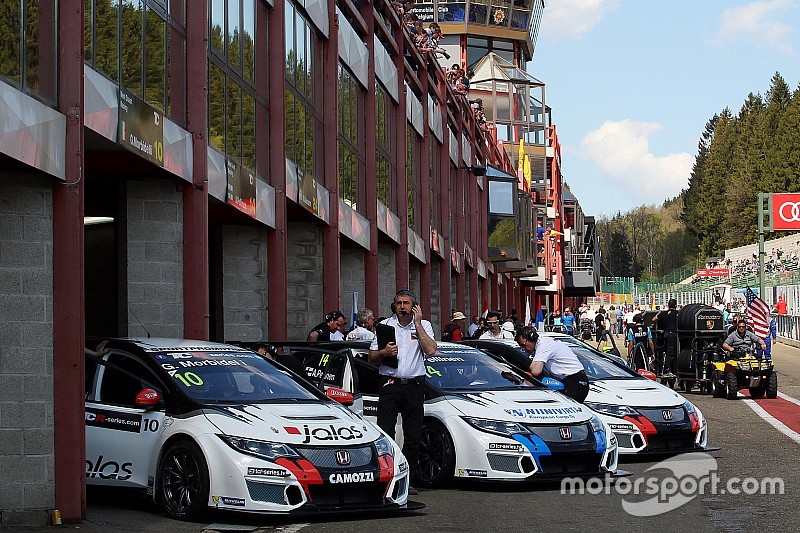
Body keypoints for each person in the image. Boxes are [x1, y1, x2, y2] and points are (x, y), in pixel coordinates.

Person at [368, 289, 437, 495]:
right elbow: (371, 358)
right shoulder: (385, 326)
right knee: (386, 433)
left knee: (413, 435)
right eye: (399, 303)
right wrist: (383, 352)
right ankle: (387, 477)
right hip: (390, 383)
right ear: (394, 306)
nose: (402, 307)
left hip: (414, 385)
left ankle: (408, 479)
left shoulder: (424, 326)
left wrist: (417, 324)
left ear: (414, 307)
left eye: (406, 303)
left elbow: (431, 350)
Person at [520, 328, 589, 403]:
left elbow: (535, 371)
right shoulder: (544, 343)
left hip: (575, 382)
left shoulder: (544, 345)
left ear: (531, 338)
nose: (523, 349)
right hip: (570, 380)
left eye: (523, 345)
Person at [651, 298, 678, 378]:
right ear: (675, 305)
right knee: (671, 353)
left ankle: (662, 368)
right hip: (673, 334)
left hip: (665, 334)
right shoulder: (677, 313)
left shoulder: (663, 313)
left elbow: (654, 319)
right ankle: (668, 370)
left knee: (664, 352)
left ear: (668, 305)